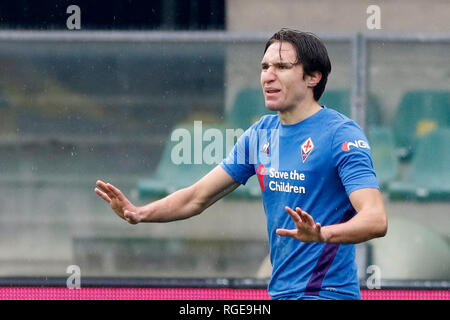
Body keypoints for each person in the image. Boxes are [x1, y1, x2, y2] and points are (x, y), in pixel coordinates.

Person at [95, 28, 388, 300]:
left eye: (282, 67)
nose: (268, 76)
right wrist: (140, 212)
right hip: (281, 293)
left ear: (313, 77)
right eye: (265, 67)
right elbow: (196, 197)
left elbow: (376, 219)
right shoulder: (261, 134)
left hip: (326, 294)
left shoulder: (341, 135)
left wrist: (323, 234)